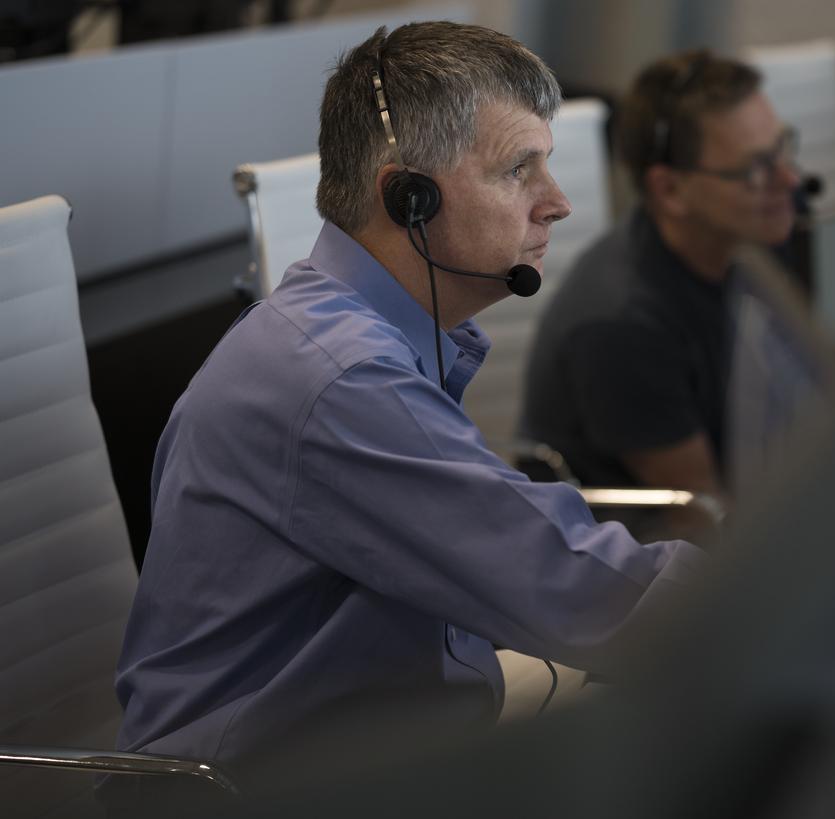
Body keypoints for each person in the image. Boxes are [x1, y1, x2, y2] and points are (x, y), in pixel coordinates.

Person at [113, 21, 706, 770]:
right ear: (410, 200)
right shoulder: (339, 379)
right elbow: (576, 587)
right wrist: (780, 597)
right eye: (519, 170)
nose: (555, 203)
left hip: (378, 748)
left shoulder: (365, 335)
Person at [519, 50, 801, 505]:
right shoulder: (622, 327)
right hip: (640, 555)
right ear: (670, 190)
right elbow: (712, 527)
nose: (789, 180)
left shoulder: (759, 244)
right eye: (754, 169)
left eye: (782, 148)